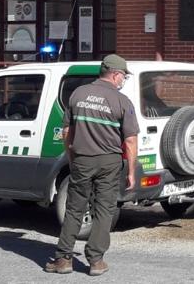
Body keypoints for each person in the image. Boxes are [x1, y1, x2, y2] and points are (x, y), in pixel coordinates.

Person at [46, 54, 139, 276]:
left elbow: (67, 131)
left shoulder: (78, 94)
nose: (123, 80)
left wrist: (71, 156)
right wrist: (132, 172)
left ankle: (63, 259)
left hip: (82, 159)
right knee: (104, 209)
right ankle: (96, 261)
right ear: (115, 75)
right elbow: (131, 140)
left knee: (75, 208)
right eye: (123, 76)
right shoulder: (121, 101)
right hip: (109, 161)